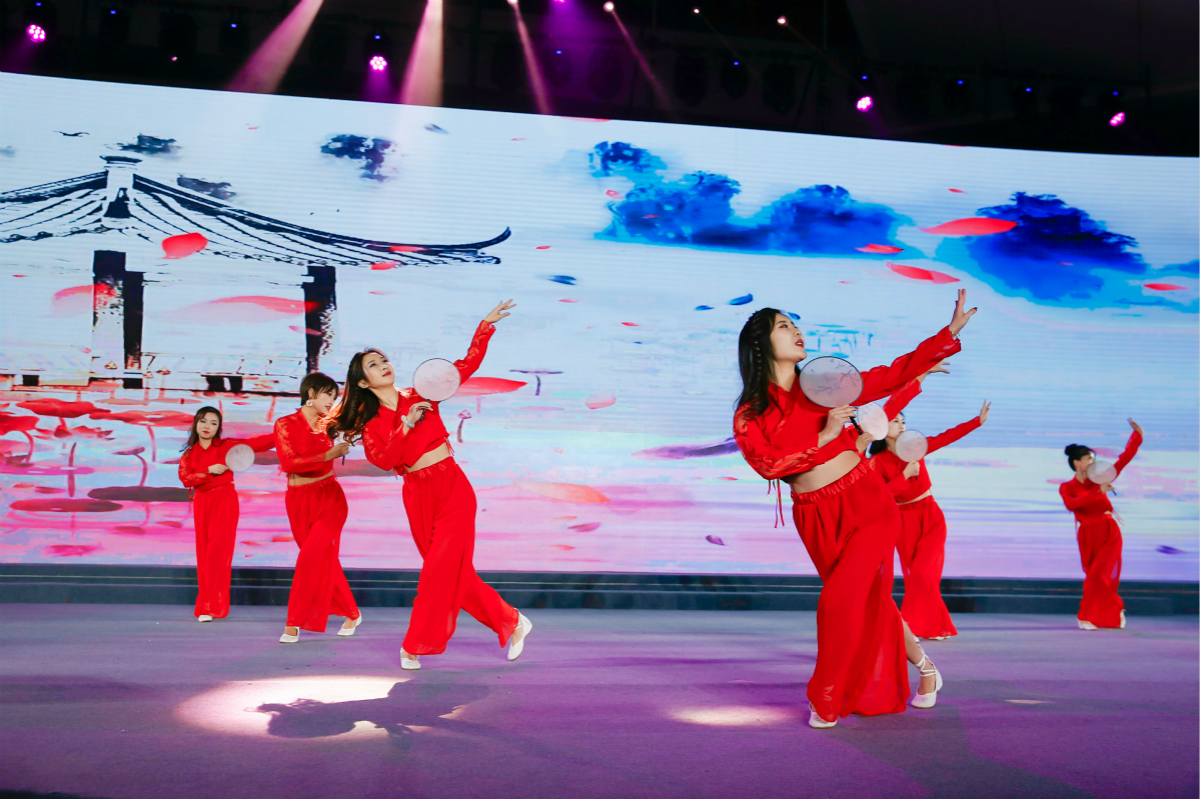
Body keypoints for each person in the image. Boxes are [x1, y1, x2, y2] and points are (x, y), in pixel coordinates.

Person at [733, 289, 976, 729]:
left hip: (868, 503)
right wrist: (825, 436)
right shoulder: (752, 412)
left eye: (795, 324)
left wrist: (948, 333)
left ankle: (825, 695)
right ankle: (926, 669)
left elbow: (889, 376)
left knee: (838, 599)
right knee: (866, 602)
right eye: (784, 326)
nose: (797, 331)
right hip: (815, 515)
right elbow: (768, 466)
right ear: (760, 343)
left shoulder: (823, 383)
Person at [335, 301, 531, 671]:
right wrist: (406, 425)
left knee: (436, 574)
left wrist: (485, 325)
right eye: (373, 365)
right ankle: (511, 620)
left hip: (451, 486)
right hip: (417, 493)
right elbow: (384, 460)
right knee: (452, 574)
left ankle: (415, 645)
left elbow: (465, 366)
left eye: (384, 360)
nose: (383, 365)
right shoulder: (372, 422)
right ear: (362, 382)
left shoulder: (422, 393)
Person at [870, 400, 991, 640]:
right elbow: (879, 498)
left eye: (903, 421)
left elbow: (945, 437)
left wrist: (977, 422)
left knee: (925, 574)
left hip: (930, 515)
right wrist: (905, 475)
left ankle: (909, 626)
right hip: (902, 520)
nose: (901, 425)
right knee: (916, 577)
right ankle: (932, 626)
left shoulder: (916, 447)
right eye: (895, 421)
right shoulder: (876, 462)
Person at [274, 372, 361, 643]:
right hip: (298, 500)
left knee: (309, 559)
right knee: (324, 561)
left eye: (334, 396)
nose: (332, 400)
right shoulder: (285, 424)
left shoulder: (330, 425)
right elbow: (289, 463)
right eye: (328, 394)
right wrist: (329, 454)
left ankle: (293, 623)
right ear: (311, 393)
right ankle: (352, 612)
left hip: (329, 499)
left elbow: (362, 421)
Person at [177, 406, 275, 622]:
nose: (207, 426)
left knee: (218, 554)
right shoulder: (189, 454)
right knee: (204, 553)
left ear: (219, 428)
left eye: (214, 423)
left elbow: (257, 444)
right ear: (196, 423)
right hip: (202, 502)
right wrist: (208, 471)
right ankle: (206, 605)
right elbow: (185, 479)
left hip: (224, 500)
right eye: (203, 421)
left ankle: (210, 606)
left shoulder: (227, 446)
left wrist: (284, 432)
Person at [1060, 419, 1143, 630]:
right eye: (1089, 458)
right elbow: (1072, 504)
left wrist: (1137, 437)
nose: (1093, 461)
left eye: (1094, 458)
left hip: (1108, 531)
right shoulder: (1067, 486)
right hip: (1088, 532)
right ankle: (1114, 609)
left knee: (1099, 574)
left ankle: (1085, 616)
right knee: (1096, 576)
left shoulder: (1100, 477)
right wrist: (1099, 491)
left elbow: (1123, 460)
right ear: (1077, 463)